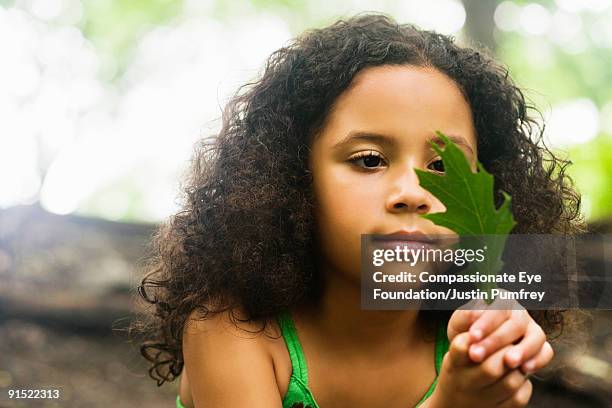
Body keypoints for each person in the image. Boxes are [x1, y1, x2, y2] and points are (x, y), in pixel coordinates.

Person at [132, 12, 586, 408]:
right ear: (292, 180)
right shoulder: (231, 329)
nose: (413, 193)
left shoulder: (468, 331)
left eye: (443, 166)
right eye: (370, 160)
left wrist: (493, 364)